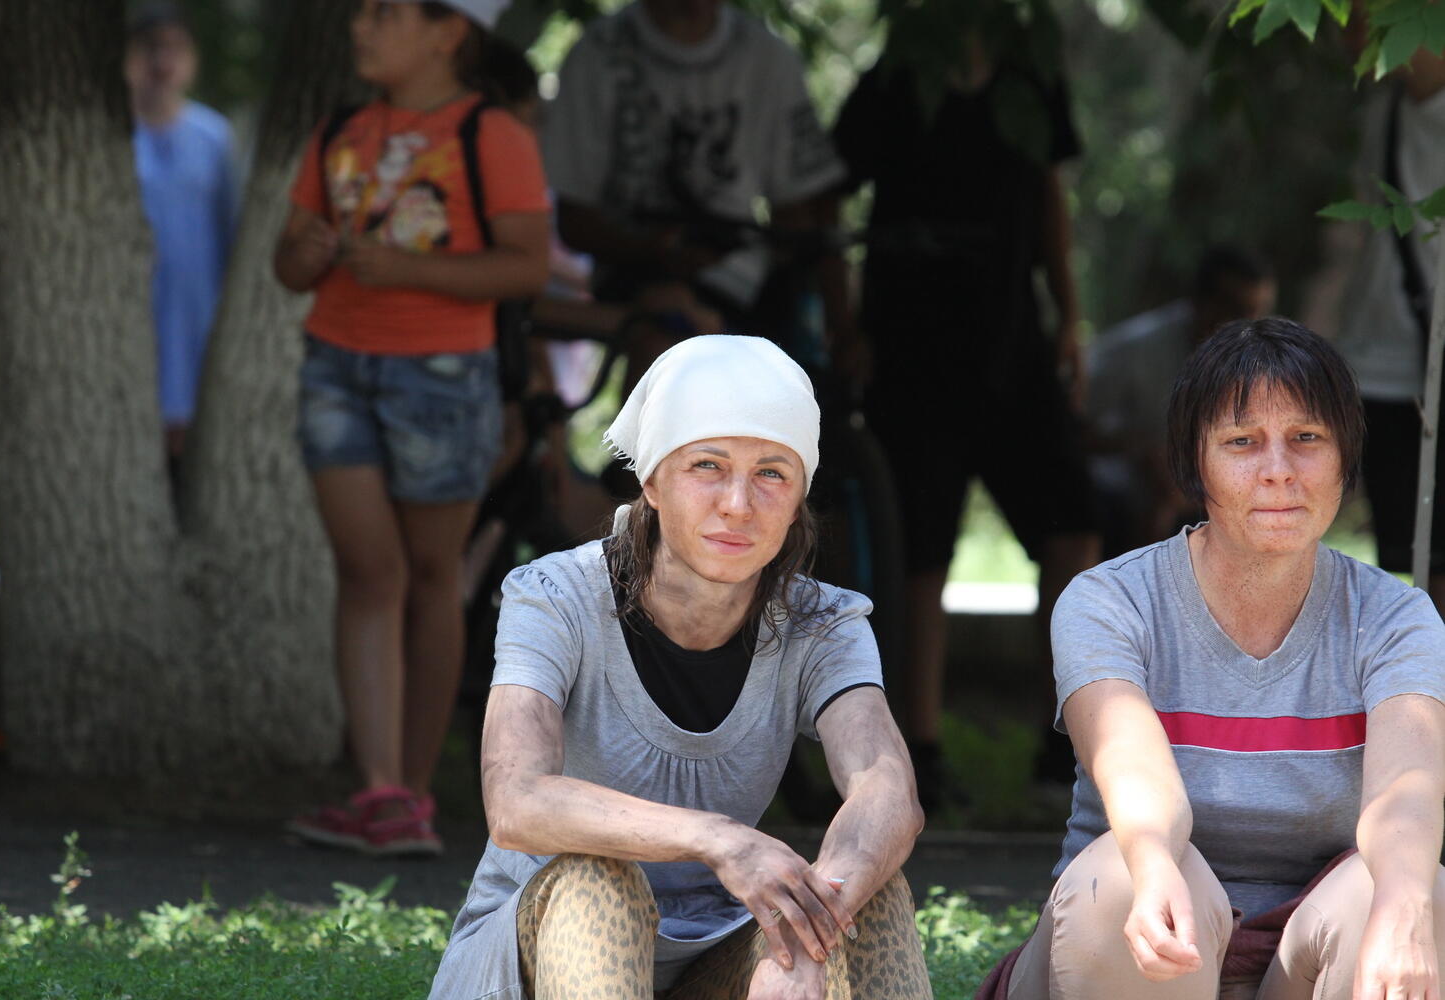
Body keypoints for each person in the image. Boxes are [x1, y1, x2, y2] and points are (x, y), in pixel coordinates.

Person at [429, 334, 928, 1000]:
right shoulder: (554, 596)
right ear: (652, 482)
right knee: (601, 880)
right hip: (540, 944)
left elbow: (887, 790)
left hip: (713, 952)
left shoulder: (823, 622)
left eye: (772, 474)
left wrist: (813, 927)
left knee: (870, 893)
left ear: (800, 497)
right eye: (707, 465)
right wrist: (720, 839)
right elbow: (517, 800)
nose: (738, 504)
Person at [978, 317, 1445, 1000]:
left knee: (1413, 890)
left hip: (1299, 963)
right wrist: (1152, 867)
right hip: (1137, 949)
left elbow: (1404, 796)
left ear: (1346, 457)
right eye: (1241, 442)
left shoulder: (1395, 616)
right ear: (1194, 465)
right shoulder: (1110, 600)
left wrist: (1408, 910)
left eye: (1307, 438)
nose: (1278, 469)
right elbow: (1136, 772)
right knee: (1127, 876)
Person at [274, 0, 549, 855]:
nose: (360, 25)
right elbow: (287, 263)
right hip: (334, 366)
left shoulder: (491, 134)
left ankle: (412, 794)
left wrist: (406, 269)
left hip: (443, 379)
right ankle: (380, 791)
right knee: (369, 571)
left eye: (384, 11)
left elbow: (527, 266)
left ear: (446, 31)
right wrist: (305, 255)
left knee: (431, 576)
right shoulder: (340, 131)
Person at [831, 22, 1099, 799]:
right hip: (909, 353)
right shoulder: (895, 78)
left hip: (1015, 346)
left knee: (1073, 521)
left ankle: (1066, 744)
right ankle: (920, 751)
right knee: (922, 547)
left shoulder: (1030, 71)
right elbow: (819, 201)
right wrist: (845, 327)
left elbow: (1048, 192)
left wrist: (1068, 316)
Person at [540, 0, 861, 419]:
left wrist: (841, 326)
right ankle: (646, 454)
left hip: (747, 284)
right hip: (634, 277)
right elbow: (575, 219)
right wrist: (655, 250)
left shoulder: (767, 57)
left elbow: (806, 211)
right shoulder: (598, 53)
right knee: (665, 347)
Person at [1332, 44, 1445, 612]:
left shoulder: (1429, 90)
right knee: (1416, 563)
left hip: (1424, 357)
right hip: (1386, 361)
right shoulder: (1387, 105)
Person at [1085, 245, 1276, 556]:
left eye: (1255, 312)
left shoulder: (1266, 366)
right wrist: (1141, 452)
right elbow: (1071, 430)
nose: (1245, 324)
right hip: (1124, 495)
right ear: (1200, 302)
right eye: (1234, 310)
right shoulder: (1133, 351)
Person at [124, 3, 238, 459]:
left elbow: (229, 225)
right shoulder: (114, 135)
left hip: (195, 307)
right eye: (151, 48)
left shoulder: (214, 135)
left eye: (176, 48)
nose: (162, 61)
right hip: (133, 304)